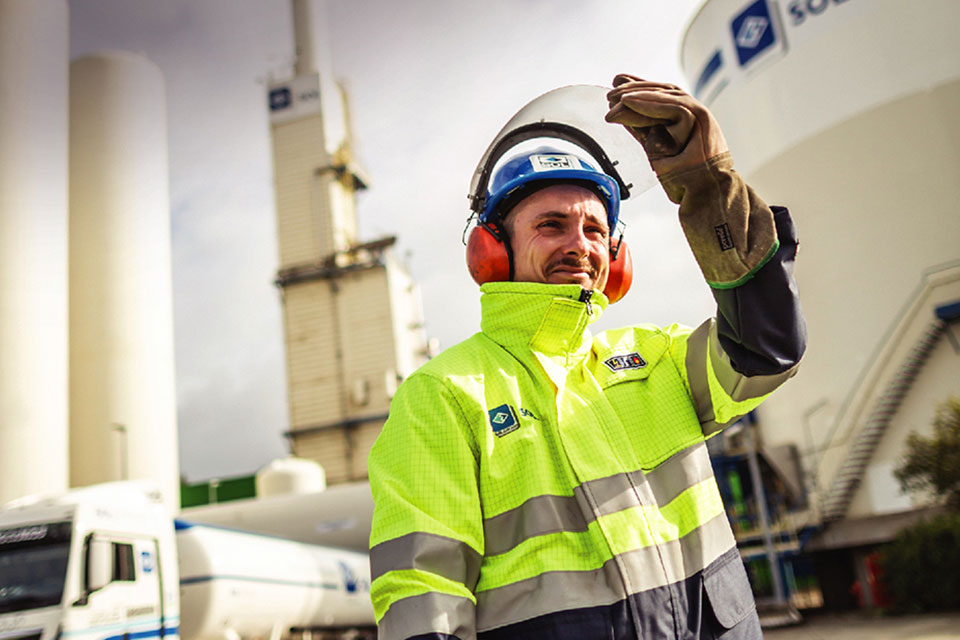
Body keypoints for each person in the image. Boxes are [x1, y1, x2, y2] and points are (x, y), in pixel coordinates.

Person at [367, 75, 806, 640]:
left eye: (596, 229)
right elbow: (423, 593)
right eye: (551, 225)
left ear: (615, 254)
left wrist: (709, 188)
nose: (579, 245)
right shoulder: (443, 395)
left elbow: (767, 351)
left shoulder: (658, 358)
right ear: (492, 249)